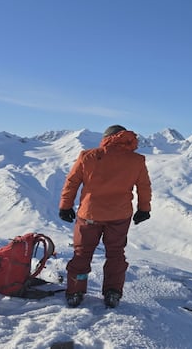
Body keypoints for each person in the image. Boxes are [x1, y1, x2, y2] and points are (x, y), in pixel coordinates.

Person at [58, 124, 152, 308]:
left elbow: (72, 182)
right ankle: (112, 292)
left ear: (107, 138)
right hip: (119, 215)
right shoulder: (137, 160)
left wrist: (65, 206)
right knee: (116, 254)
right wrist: (144, 209)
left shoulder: (88, 156)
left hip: (89, 214)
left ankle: (76, 291)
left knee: (82, 254)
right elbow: (144, 187)